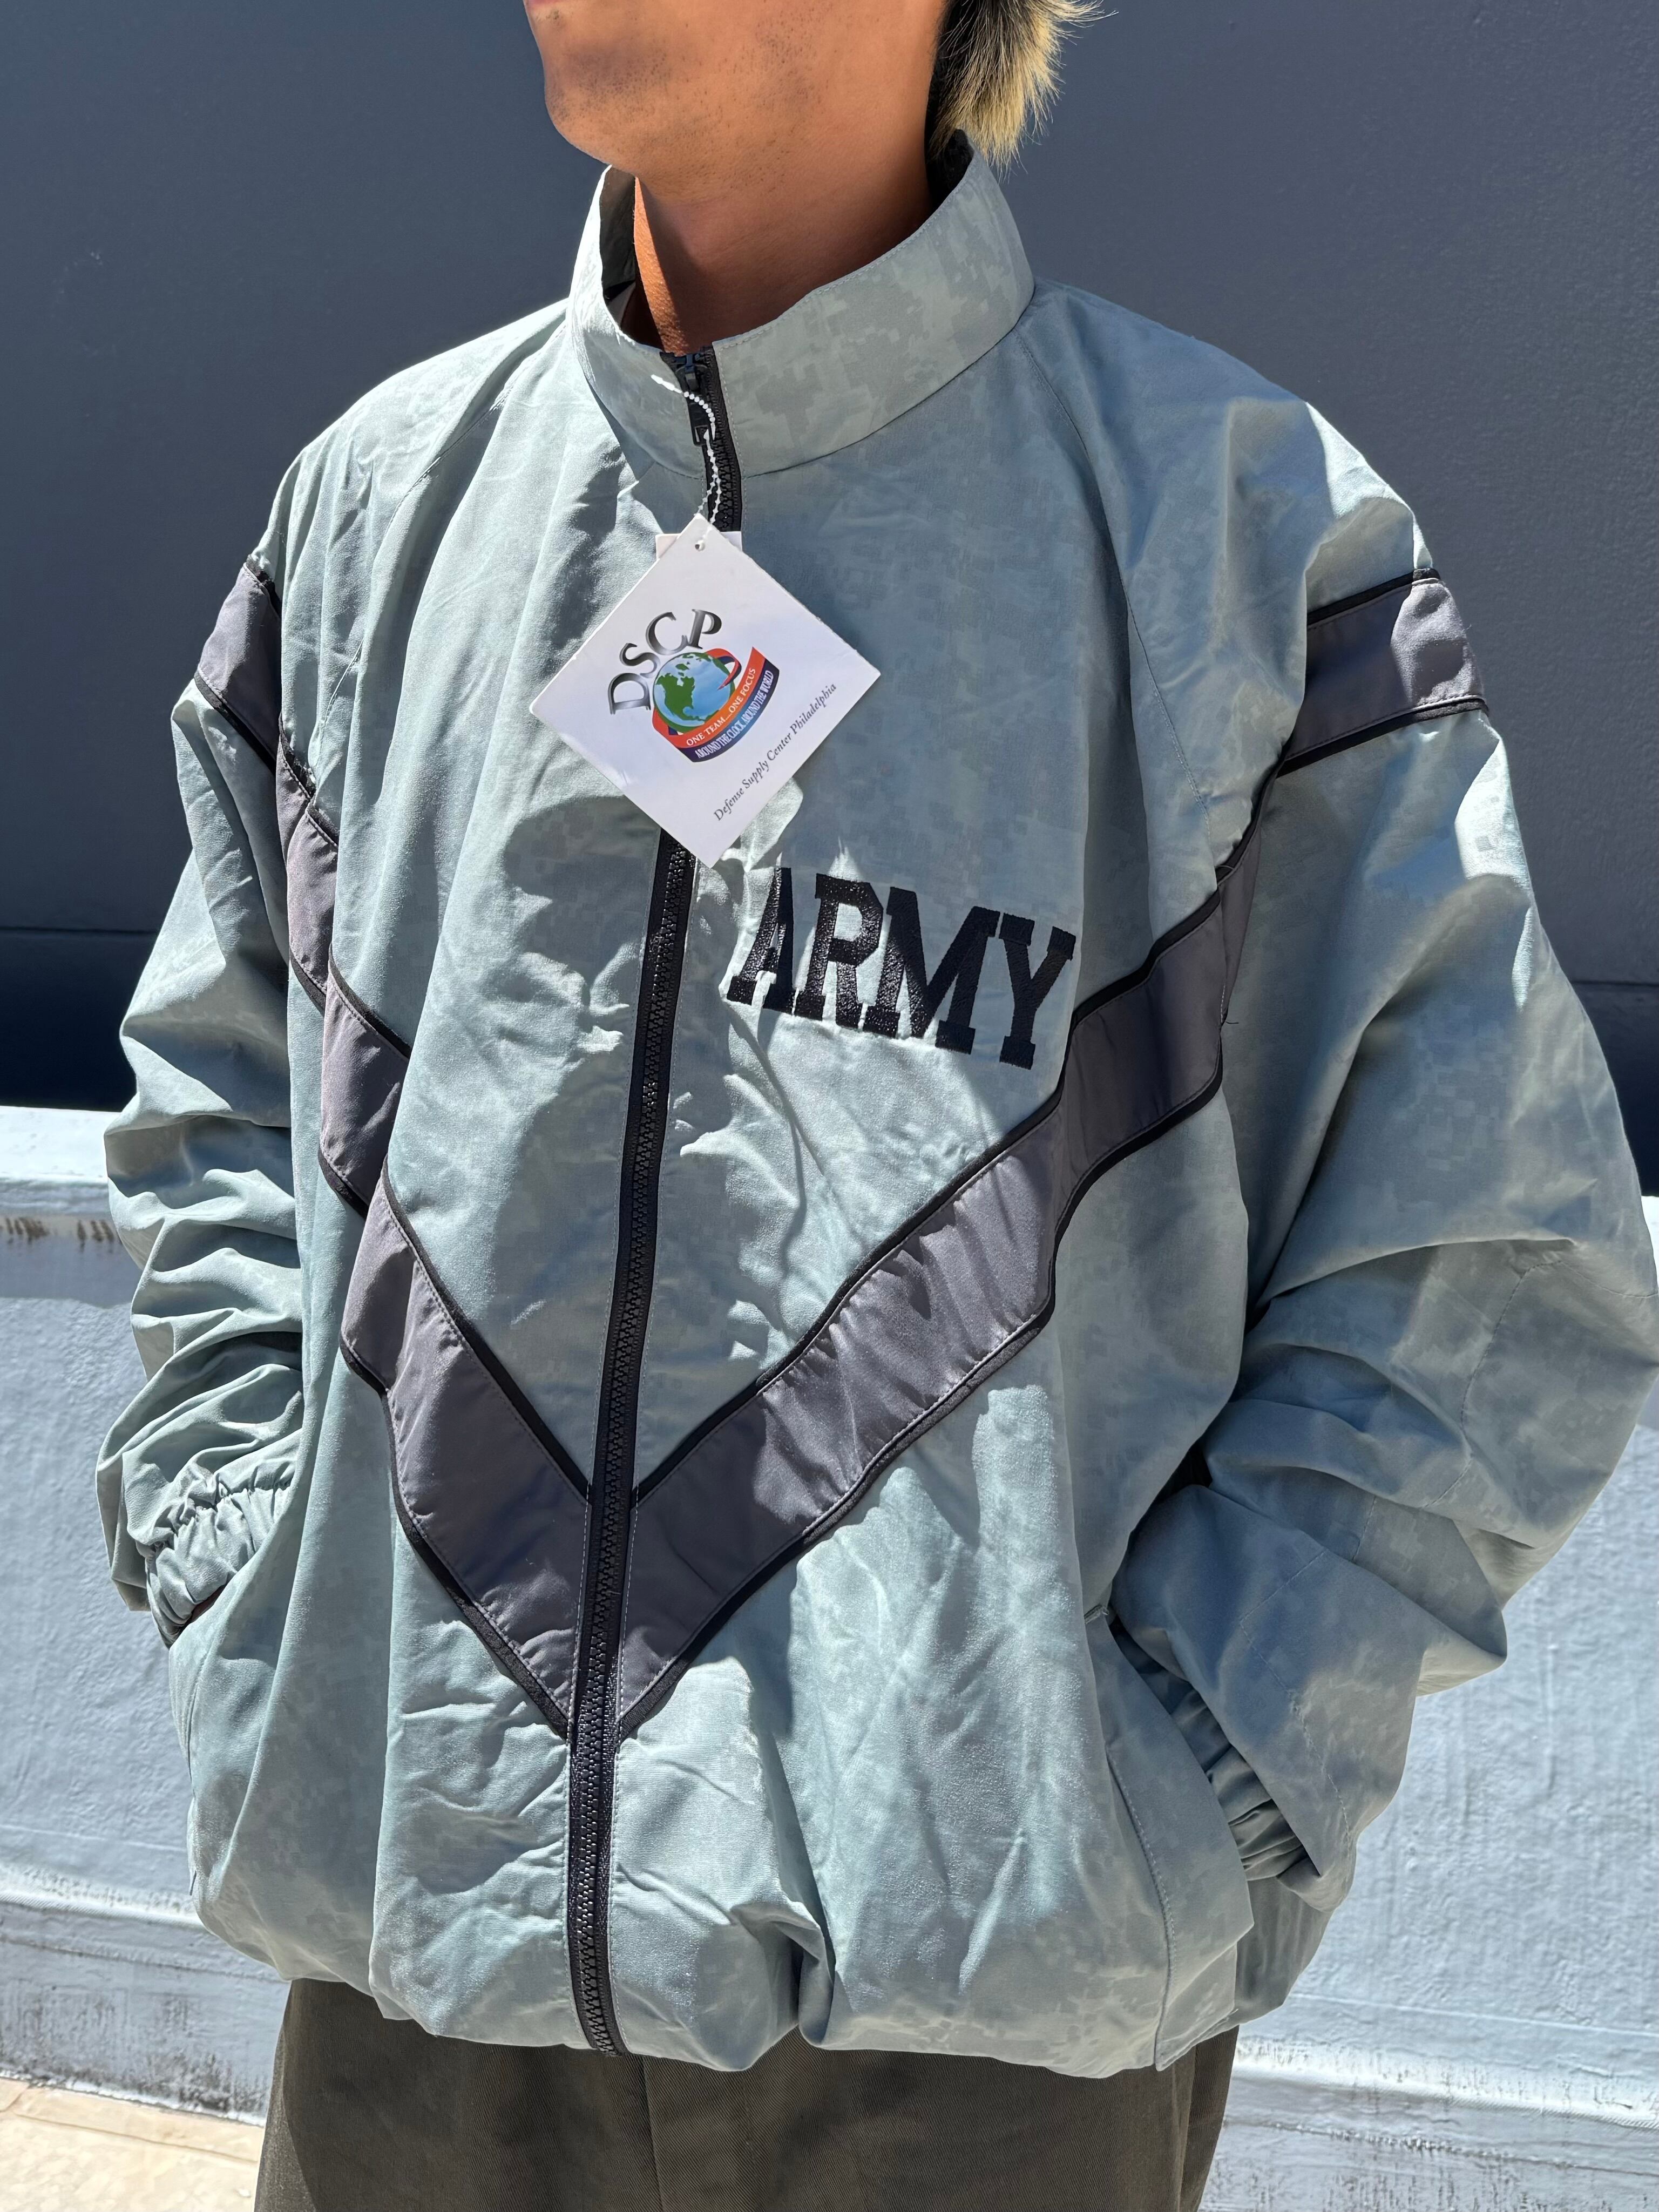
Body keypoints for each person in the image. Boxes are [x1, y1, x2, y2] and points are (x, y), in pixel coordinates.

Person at [96, 0, 1659, 2206]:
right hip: (402, 2024)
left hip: (978, 2075)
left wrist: (1176, 1801)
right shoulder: (375, 509)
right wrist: (254, 1599)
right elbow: (216, 1106)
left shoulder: (1240, 542)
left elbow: (1485, 1266)